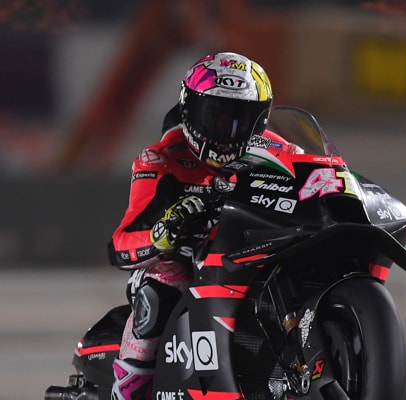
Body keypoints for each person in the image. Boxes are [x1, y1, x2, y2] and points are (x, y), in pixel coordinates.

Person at [107, 51, 294, 400]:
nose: (227, 132)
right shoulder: (160, 159)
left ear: (261, 121)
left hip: (256, 255)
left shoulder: (278, 150)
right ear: (189, 111)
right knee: (163, 282)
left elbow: (320, 170)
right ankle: (128, 386)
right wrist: (162, 234)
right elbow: (120, 244)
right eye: (215, 117)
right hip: (189, 265)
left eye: (240, 119)